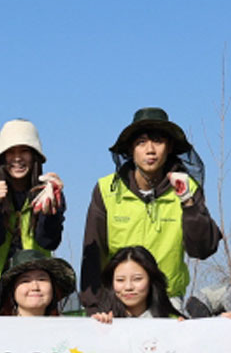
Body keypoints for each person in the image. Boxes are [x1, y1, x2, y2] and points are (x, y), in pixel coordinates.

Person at [79, 107, 222, 311]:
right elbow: (93, 254)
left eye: (158, 141)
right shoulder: (106, 189)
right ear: (130, 150)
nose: (150, 150)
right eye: (141, 142)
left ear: (170, 146)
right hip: (118, 301)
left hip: (167, 302)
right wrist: (94, 306)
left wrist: (188, 203)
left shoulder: (186, 187)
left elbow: (203, 249)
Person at [0, 119, 66, 314]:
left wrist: (49, 212)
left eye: (24, 151)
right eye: (11, 152)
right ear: (1, 157)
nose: (17, 158)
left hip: (33, 290)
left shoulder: (50, 191)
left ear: (35, 156)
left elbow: (49, 241)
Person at [89, 246, 184, 322]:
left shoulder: (171, 323)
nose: (128, 287)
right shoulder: (102, 322)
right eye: (120, 280)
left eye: (137, 279)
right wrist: (99, 329)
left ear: (151, 280)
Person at [0, 249, 75, 317]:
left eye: (42, 279)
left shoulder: (68, 330)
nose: (35, 287)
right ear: (13, 290)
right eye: (25, 281)